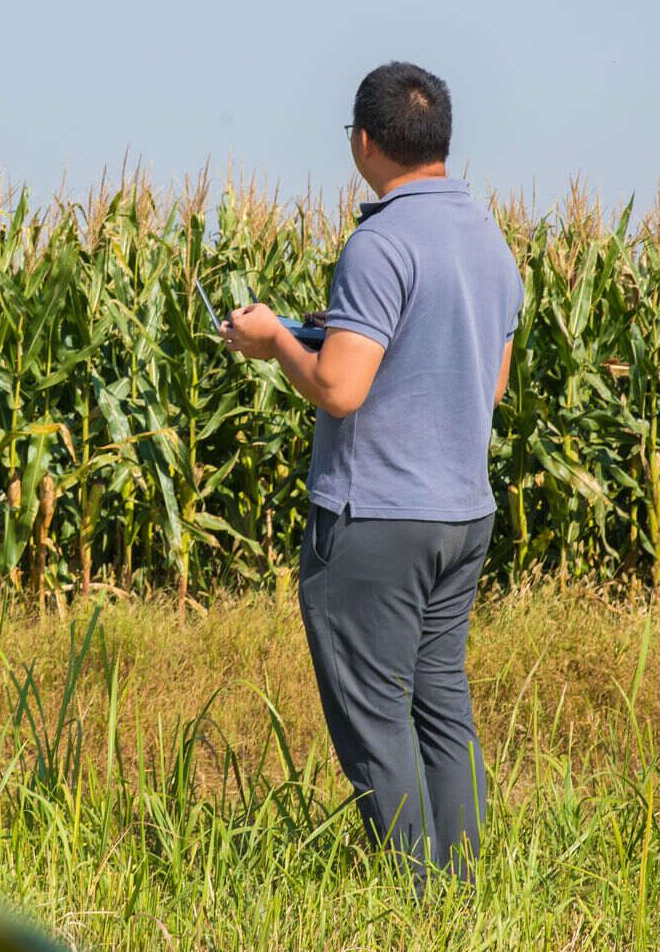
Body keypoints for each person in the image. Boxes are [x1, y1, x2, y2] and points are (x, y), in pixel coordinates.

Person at [220, 60, 522, 886]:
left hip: (375, 522)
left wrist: (275, 341)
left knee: (376, 717)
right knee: (439, 705)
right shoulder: (488, 241)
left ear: (363, 141)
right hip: (461, 517)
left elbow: (340, 389)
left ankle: (414, 902)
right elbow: (486, 382)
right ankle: (462, 892)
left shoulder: (379, 242)